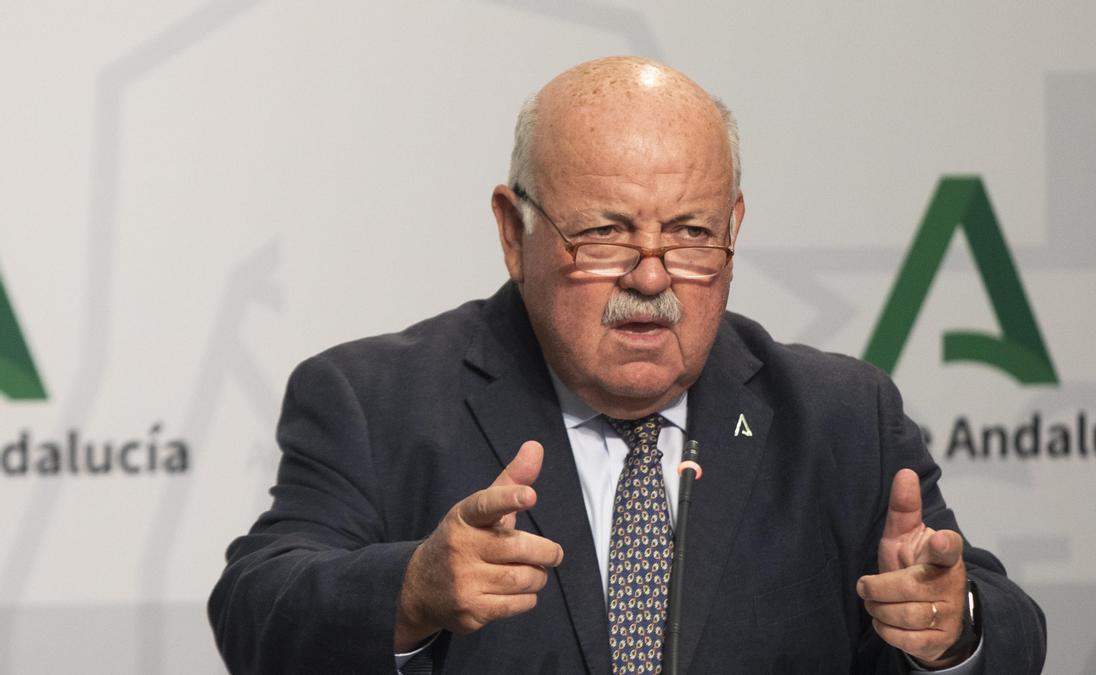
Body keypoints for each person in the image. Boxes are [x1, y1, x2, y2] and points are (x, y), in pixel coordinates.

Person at [209, 56, 1046, 674]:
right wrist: (411, 590)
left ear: (735, 226)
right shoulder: (375, 401)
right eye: (605, 231)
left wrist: (954, 627)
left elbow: (1003, 622)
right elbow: (254, 611)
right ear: (514, 232)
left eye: (689, 233)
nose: (651, 278)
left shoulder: (837, 416)